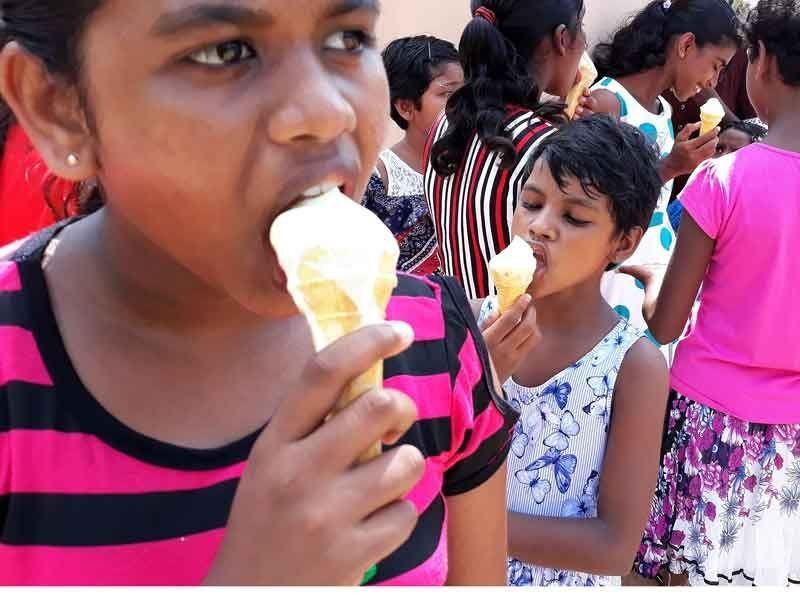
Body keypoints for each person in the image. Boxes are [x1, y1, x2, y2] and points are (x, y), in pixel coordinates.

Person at [0, 0, 519, 585]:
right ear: (57, 107)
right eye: (225, 51)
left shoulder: (434, 339)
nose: (327, 110)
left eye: (348, 38)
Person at [623, 0, 800, 586]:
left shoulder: (721, 179)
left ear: (762, 63)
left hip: (708, 424)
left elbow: (666, 324)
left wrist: (652, 277)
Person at [475, 116, 669, 587]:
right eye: (531, 204)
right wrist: (481, 376)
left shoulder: (633, 366)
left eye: (574, 218)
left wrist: (466, 523)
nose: (539, 227)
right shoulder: (475, 321)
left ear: (623, 243)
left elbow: (614, 546)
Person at [590, 0, 741, 348]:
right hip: (616, 278)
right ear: (686, 45)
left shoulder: (663, 111)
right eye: (715, 66)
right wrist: (671, 166)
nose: (713, 82)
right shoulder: (608, 103)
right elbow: (597, 204)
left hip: (654, 271)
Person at [424, 0, 590, 301]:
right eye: (581, 26)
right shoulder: (545, 147)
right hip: (516, 327)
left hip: (458, 321)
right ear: (562, 39)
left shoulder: (446, 122)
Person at [362, 36, 463, 275]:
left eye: (466, 93)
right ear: (405, 107)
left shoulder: (479, 167)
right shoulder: (377, 181)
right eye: (448, 94)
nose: (463, 105)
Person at [668, 119, 766, 231]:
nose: (722, 157)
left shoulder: (748, 217)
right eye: (719, 149)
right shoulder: (691, 195)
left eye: (736, 153)